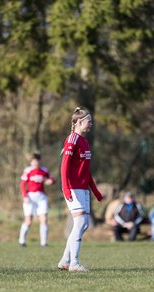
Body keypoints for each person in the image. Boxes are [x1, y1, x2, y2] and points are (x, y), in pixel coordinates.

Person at [58, 107, 103, 272]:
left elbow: (86, 170)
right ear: (78, 122)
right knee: (81, 222)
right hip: (73, 187)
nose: (91, 123)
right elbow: (64, 166)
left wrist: (95, 191)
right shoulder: (72, 139)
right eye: (88, 121)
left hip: (83, 188)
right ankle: (74, 264)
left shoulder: (85, 141)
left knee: (82, 225)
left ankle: (65, 260)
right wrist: (66, 187)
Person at [18, 153, 55, 247]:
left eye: (36, 161)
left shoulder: (44, 170)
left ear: (39, 161)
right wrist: (25, 196)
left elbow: (50, 179)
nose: (35, 163)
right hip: (30, 197)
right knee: (28, 221)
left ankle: (44, 243)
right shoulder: (28, 170)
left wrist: (51, 181)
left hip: (41, 197)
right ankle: (22, 240)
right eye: (33, 161)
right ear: (30, 162)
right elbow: (23, 184)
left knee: (44, 219)